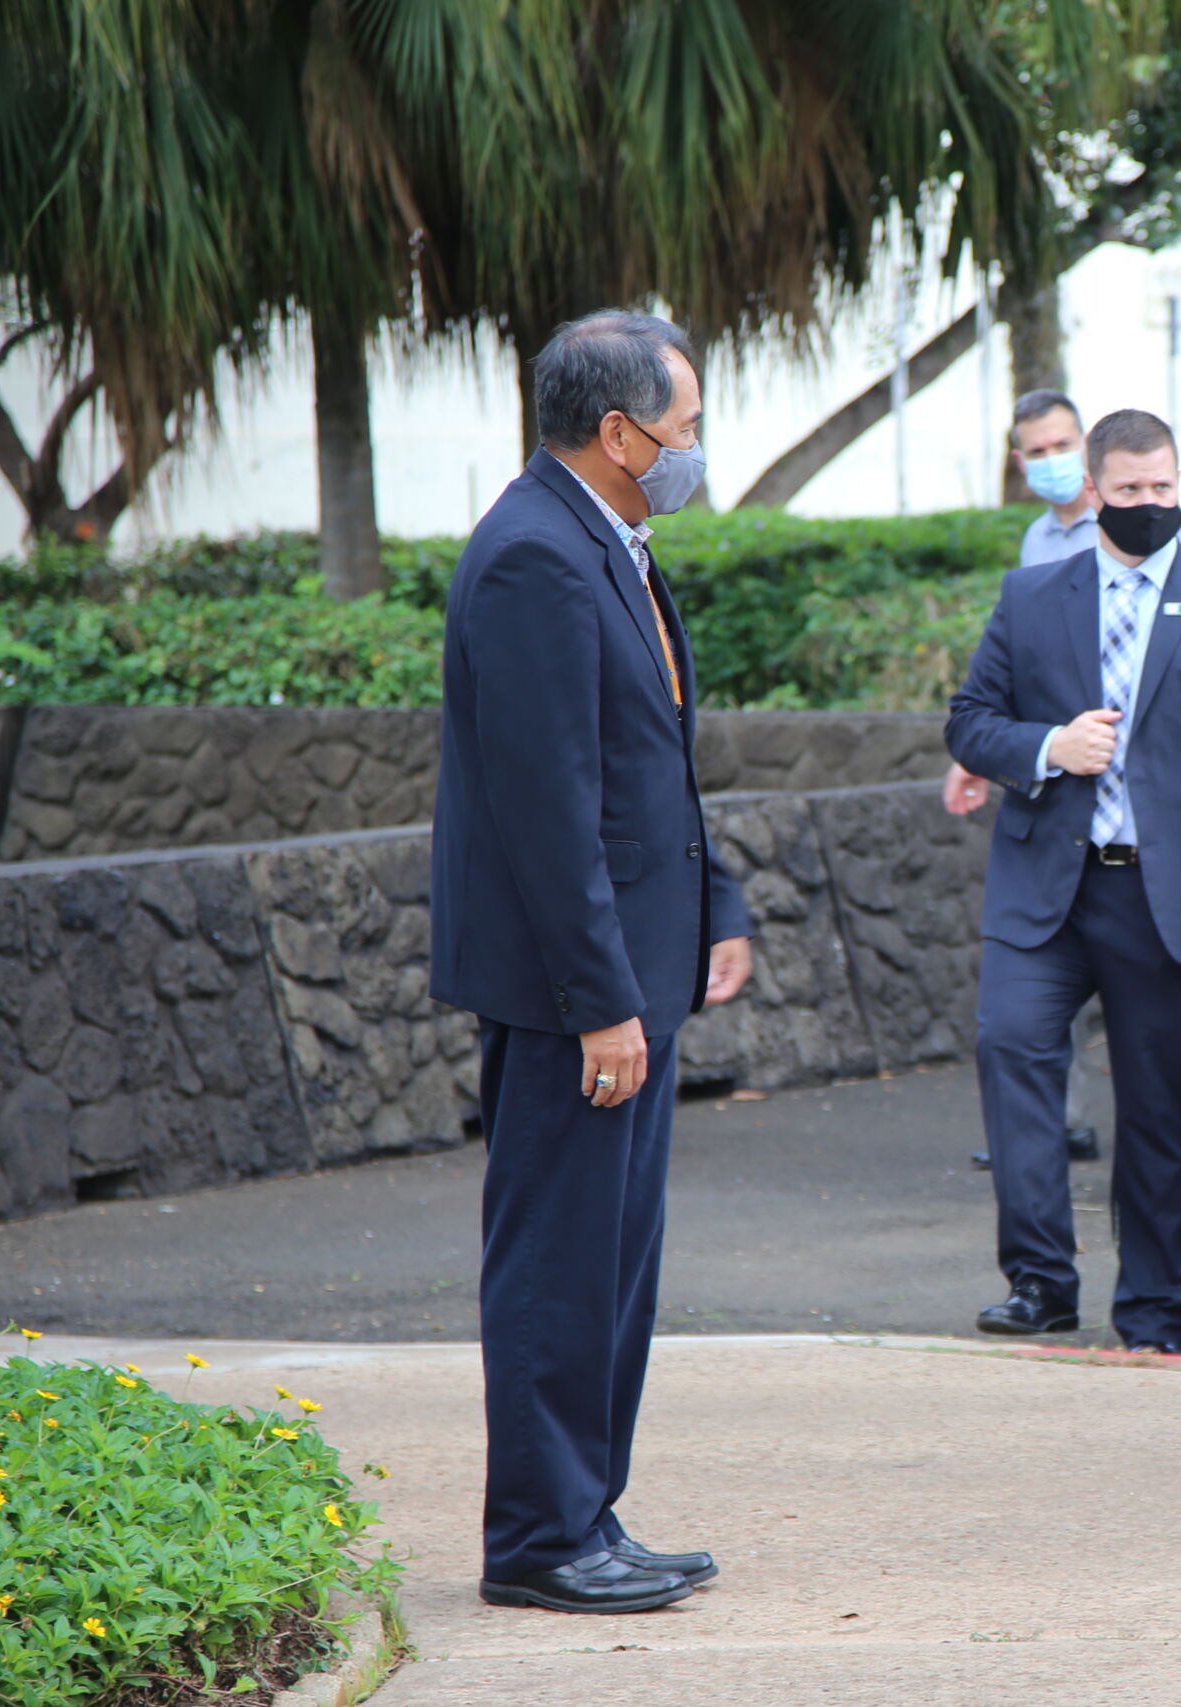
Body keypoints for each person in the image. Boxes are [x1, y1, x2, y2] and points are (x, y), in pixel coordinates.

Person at [431, 311, 755, 1614]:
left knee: (615, 1259)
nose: (694, 451)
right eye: (682, 430)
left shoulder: (610, 541)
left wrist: (715, 898)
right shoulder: (534, 559)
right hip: (581, 992)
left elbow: (651, 756)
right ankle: (537, 1537)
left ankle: (586, 1512)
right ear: (617, 433)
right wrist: (602, 1002)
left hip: (637, 970)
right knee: (562, 1260)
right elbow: (547, 807)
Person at [945, 408, 1181, 1352]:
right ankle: (1039, 1279)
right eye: (1132, 489)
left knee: (1157, 1107)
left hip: (1171, 899)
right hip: (1044, 893)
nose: (1150, 503)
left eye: (1163, 487)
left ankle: (1152, 1311)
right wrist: (1047, 746)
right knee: (1011, 1049)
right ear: (1093, 490)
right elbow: (970, 721)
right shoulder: (1032, 597)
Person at [948, 389, 1105, 1169]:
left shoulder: (1122, 527)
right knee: (1043, 959)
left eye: (1061, 445)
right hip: (1051, 773)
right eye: (1036, 451)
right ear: (1019, 461)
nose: (1051, 462)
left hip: (1116, 771)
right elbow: (1012, 673)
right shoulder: (1036, 542)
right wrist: (978, 754)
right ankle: (1053, 1122)